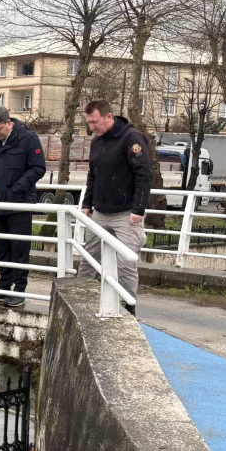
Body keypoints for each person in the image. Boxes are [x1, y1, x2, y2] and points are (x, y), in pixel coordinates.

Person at [77, 99, 151, 315]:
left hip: (126, 213)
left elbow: (144, 176)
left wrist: (139, 208)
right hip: (100, 210)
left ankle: (128, 307)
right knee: (88, 257)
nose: (92, 127)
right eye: (89, 123)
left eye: (95, 122)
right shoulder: (96, 141)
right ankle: (79, 298)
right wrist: (87, 203)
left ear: (109, 117)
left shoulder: (132, 139)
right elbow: (93, 175)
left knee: (126, 263)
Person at [0, 106, 46, 308]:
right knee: (1, 249)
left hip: (19, 204)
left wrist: (17, 188)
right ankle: (3, 287)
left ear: (9, 123)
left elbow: (38, 168)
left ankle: (19, 290)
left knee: (19, 249)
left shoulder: (27, 139)